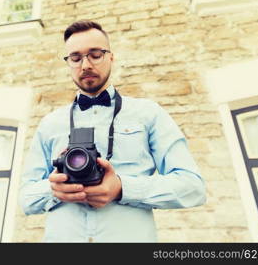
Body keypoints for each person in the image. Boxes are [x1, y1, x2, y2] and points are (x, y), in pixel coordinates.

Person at [19, 20, 206, 242]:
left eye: (95, 54)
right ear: (68, 62)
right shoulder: (49, 123)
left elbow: (193, 187)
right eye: (75, 58)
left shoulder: (148, 113)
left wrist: (123, 188)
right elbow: (25, 199)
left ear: (111, 56)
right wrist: (54, 189)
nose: (85, 65)